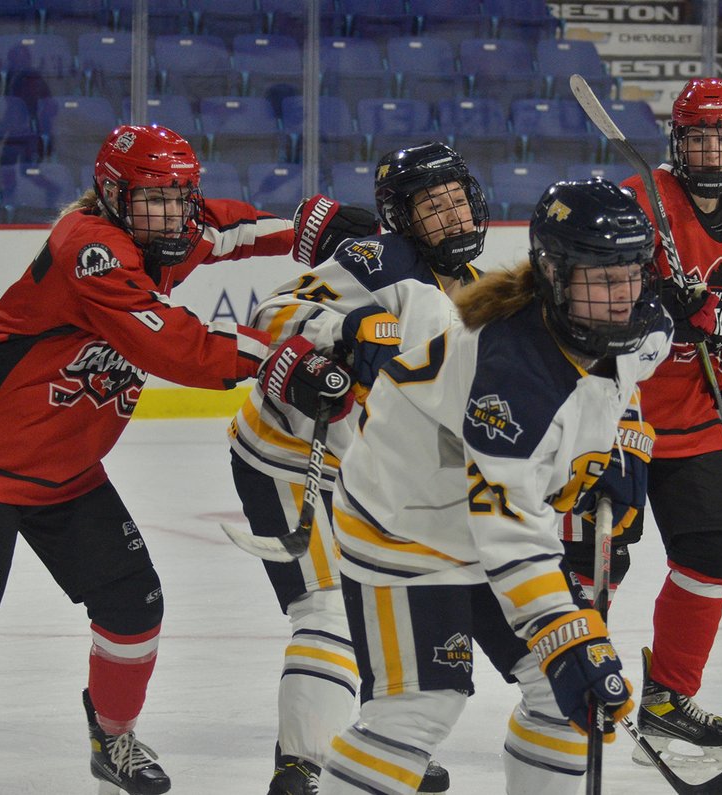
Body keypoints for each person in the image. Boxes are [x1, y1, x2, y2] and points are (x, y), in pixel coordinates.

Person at [0, 124, 366, 795]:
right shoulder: (91, 250)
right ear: (110, 193)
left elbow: (229, 229)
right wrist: (279, 361)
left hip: (70, 473)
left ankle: (113, 741)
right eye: (152, 198)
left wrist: (317, 225)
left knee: (134, 605)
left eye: (178, 196)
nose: (170, 213)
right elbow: (174, 343)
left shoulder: (159, 228)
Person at [314, 179, 674, 795]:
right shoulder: (512, 377)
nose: (621, 296)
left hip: (480, 521)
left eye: (631, 272)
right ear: (555, 275)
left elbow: (636, 364)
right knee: (417, 709)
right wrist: (565, 633)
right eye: (600, 277)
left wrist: (623, 438)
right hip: (406, 524)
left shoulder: (634, 319)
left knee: (565, 702)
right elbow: (510, 532)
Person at [228, 141, 490, 795]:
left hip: (369, 476)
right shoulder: (381, 260)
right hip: (288, 456)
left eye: (458, 200)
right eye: (434, 207)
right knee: (325, 607)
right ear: (403, 220)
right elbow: (270, 313)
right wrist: (342, 332)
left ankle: (377, 740)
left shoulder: (482, 298)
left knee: (386, 602)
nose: (453, 217)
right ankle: (302, 765)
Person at [594, 77, 722, 769]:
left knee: (712, 555)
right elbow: (590, 301)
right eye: (697, 135)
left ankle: (666, 698)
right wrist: (657, 307)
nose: (710, 147)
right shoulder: (640, 201)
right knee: (598, 564)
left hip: (695, 412)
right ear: (677, 141)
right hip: (622, 412)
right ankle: (565, 694)